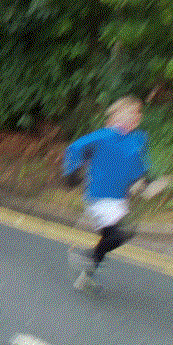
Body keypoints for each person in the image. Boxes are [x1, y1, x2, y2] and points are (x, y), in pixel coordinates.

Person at [63, 96, 150, 291]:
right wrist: (71, 173)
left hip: (119, 198)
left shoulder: (137, 140)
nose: (136, 116)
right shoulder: (104, 136)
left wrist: (145, 180)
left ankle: (85, 276)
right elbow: (75, 148)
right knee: (116, 235)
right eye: (131, 111)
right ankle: (87, 257)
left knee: (117, 236)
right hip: (99, 197)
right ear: (116, 115)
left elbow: (138, 167)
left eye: (138, 113)